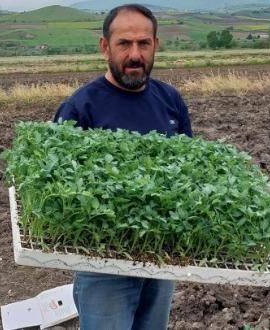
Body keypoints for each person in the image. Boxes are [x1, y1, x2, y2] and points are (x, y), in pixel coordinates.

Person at [53, 4, 192, 330]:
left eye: (144, 43)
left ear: (156, 45)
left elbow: (188, 170)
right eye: (124, 44)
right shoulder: (80, 107)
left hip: (161, 258)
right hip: (104, 268)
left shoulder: (170, 100)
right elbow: (57, 182)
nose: (135, 54)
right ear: (105, 47)